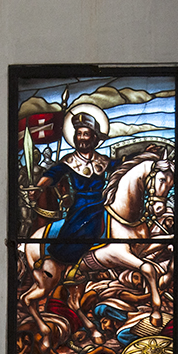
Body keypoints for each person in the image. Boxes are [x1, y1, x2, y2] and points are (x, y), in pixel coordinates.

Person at [29, 110, 120, 267]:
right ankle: (71, 264)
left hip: (102, 202)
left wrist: (143, 154)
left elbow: (121, 164)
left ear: (94, 138)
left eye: (86, 134)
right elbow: (53, 174)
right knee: (78, 232)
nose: (82, 138)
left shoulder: (103, 160)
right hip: (80, 207)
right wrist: (38, 188)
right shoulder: (69, 161)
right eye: (79, 134)